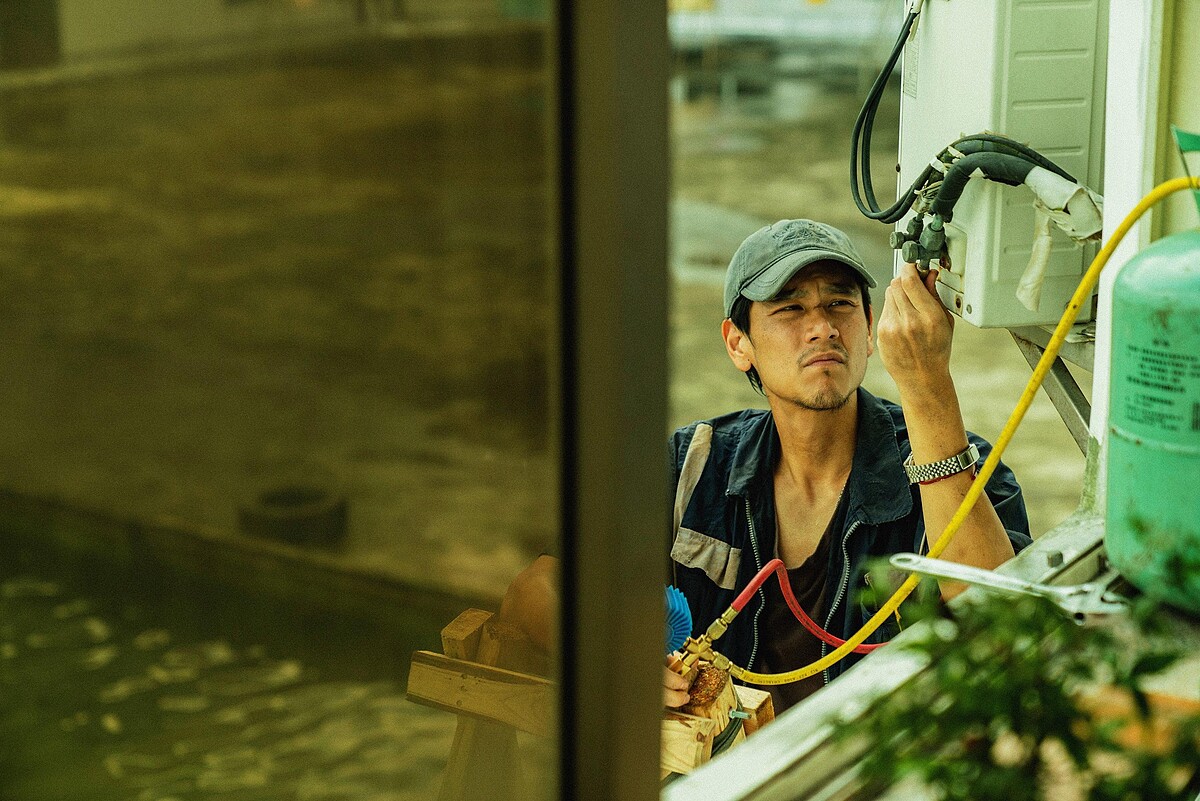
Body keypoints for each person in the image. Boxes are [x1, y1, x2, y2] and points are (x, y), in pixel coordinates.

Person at [500, 219, 1031, 715]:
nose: (823, 327)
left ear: (870, 328)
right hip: (729, 767)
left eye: (840, 304)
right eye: (790, 308)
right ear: (739, 344)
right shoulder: (693, 465)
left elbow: (1005, 634)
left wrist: (926, 387)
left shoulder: (960, 466)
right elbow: (533, 590)